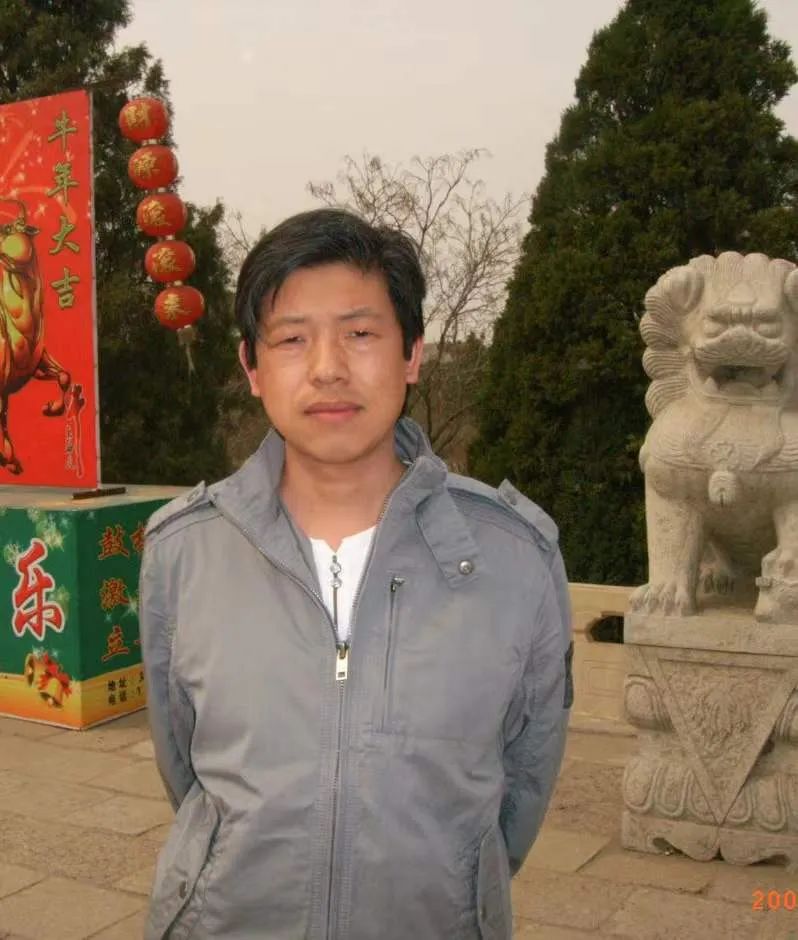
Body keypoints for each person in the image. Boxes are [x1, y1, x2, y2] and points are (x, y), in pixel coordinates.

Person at [139, 207, 572, 940]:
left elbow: (521, 790)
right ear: (251, 367)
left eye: (361, 333)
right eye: (292, 339)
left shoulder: (514, 557)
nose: (328, 367)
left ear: (412, 355)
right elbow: (184, 767)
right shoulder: (184, 550)